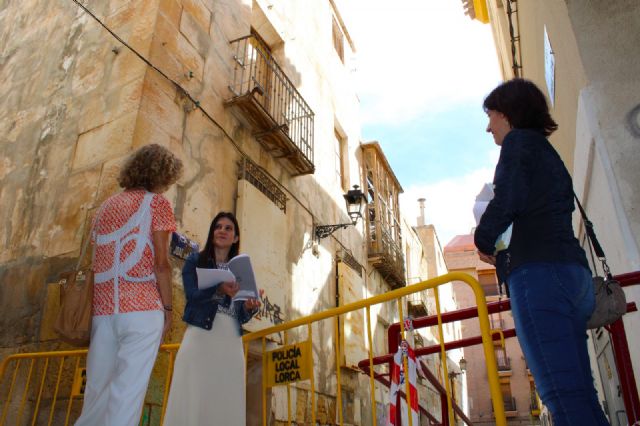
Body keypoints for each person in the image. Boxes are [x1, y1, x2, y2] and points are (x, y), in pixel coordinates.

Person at [474, 78, 609, 426]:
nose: (489, 127)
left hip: (540, 278)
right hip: (572, 275)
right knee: (580, 394)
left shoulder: (517, 144)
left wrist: (482, 240)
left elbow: (509, 199)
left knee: (563, 400)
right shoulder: (545, 151)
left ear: (508, 113)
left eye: (492, 115)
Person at [75, 144, 183, 426]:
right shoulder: (157, 203)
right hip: (143, 310)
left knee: (96, 395)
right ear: (163, 174)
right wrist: (168, 310)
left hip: (104, 312)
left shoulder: (105, 207)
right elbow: (161, 263)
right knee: (127, 395)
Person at [163, 212, 260, 425]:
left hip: (230, 344)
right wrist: (218, 289)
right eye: (218, 227)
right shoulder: (196, 261)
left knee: (225, 400)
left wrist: (249, 307)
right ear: (212, 232)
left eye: (228, 228)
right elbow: (192, 297)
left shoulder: (241, 270)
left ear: (235, 238)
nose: (222, 231)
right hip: (201, 338)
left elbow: (239, 316)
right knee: (194, 395)